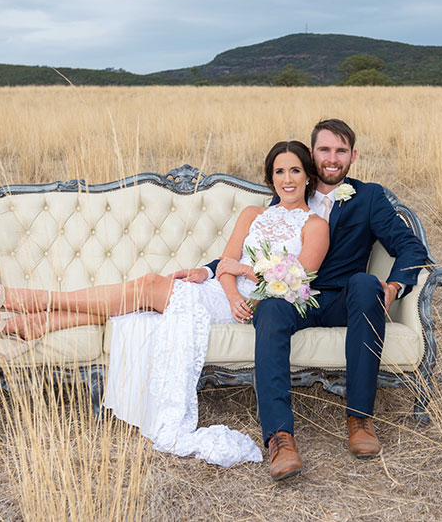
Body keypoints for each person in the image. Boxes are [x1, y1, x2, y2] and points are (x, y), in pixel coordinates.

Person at [0, 140, 329, 467]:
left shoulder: (315, 226)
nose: (287, 179)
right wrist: (233, 290)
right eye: (280, 172)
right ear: (270, 177)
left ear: (308, 176)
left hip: (255, 308)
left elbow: (296, 282)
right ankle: (39, 322)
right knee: (138, 304)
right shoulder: (252, 214)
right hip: (226, 297)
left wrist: (242, 275)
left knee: (149, 286)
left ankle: (37, 302)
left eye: (295, 171)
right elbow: (224, 266)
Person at [175, 119, 428, 480]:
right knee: (272, 308)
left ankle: (360, 419)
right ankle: (280, 437)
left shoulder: (369, 197)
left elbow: (410, 247)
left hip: (343, 300)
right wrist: (211, 268)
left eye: (341, 151)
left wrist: (394, 286)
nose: (332, 158)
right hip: (292, 299)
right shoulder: (292, 189)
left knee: (366, 283)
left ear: (353, 156)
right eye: (325, 149)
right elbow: (260, 249)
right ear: (312, 155)